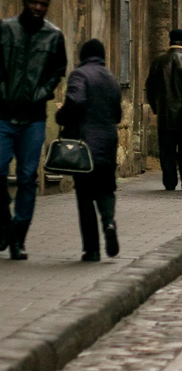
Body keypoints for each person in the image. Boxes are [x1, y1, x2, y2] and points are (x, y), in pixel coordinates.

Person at [0, 0, 67, 260]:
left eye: (43, 4)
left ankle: (19, 237)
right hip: (3, 114)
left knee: (28, 178)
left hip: (34, 118)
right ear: (25, 1)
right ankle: (5, 224)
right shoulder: (6, 29)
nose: (37, 8)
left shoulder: (53, 36)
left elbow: (58, 69)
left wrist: (42, 92)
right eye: (33, 2)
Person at [56, 39, 122, 261]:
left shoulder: (79, 74)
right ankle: (109, 223)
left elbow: (75, 100)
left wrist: (61, 116)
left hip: (85, 144)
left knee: (85, 196)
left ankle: (91, 249)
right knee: (105, 189)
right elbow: (118, 115)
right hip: (108, 142)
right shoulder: (111, 77)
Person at [145, 28, 182, 191]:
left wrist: (157, 108)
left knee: (167, 151)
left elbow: (150, 89)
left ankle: (169, 181)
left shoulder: (158, 62)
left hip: (166, 115)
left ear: (169, 42)